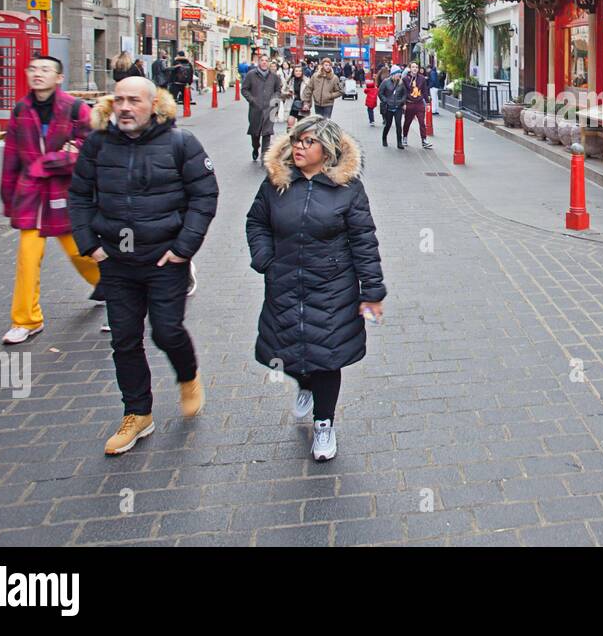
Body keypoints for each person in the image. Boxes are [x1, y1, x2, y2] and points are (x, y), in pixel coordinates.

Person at [69, 77, 219, 455]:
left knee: (166, 331)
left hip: (164, 257)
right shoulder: (97, 144)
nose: (124, 107)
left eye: (133, 100)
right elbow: (79, 195)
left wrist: (184, 248)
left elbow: (204, 195)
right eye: (118, 99)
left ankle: (188, 375)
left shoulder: (181, 143)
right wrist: (90, 245)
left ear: (153, 105)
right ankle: (137, 413)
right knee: (123, 338)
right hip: (116, 260)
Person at [246, 116, 385, 462]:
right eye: (296, 140)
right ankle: (302, 383)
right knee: (289, 352)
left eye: (308, 142)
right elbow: (256, 222)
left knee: (325, 358)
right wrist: (265, 258)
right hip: (285, 283)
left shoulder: (347, 189)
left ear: (328, 149)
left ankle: (324, 424)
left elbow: (364, 240)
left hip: (332, 288)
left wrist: (371, 293)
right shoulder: (276, 183)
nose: (299, 147)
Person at [0, 56, 103, 345]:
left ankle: (112, 290)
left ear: (58, 77)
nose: (38, 74)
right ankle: (26, 320)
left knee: (81, 254)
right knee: (27, 259)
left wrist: (56, 160)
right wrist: (9, 198)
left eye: (45, 70)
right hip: (31, 196)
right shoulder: (21, 109)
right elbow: (11, 156)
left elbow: (92, 146)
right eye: (33, 69)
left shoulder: (75, 108)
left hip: (64, 194)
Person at [244, 53, 282, 162]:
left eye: (266, 60)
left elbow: (278, 90)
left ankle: (264, 157)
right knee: (255, 133)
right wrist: (252, 99)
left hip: (270, 108)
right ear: (259, 62)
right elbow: (244, 89)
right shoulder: (251, 75)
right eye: (262, 60)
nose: (264, 62)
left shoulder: (274, 76)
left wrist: (274, 99)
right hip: (255, 108)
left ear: (269, 63)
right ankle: (255, 148)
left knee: (267, 132)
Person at [401, 61, 432, 149]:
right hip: (409, 103)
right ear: (410, 68)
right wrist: (403, 103)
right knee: (407, 122)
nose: (415, 69)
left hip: (419, 103)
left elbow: (425, 91)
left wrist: (428, 102)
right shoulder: (405, 79)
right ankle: (405, 137)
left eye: (416, 67)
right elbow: (403, 92)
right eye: (413, 67)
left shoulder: (422, 78)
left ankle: (424, 140)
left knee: (422, 122)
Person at [379, 65, 408, 148]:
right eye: (398, 73)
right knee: (388, 124)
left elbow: (404, 94)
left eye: (400, 73)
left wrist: (401, 101)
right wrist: (386, 100)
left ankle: (399, 143)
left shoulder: (401, 83)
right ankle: (384, 138)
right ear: (393, 74)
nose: (399, 75)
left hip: (398, 107)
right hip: (388, 107)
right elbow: (380, 93)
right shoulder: (385, 82)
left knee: (398, 125)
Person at [284, 63, 308, 131]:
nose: (298, 72)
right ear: (293, 72)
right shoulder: (289, 80)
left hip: (302, 105)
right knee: (290, 125)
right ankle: (289, 139)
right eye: (296, 71)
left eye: (300, 71)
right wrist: (287, 93)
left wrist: (307, 104)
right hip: (291, 104)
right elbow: (283, 91)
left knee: (302, 127)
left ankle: (299, 140)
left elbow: (309, 94)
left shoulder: (306, 81)